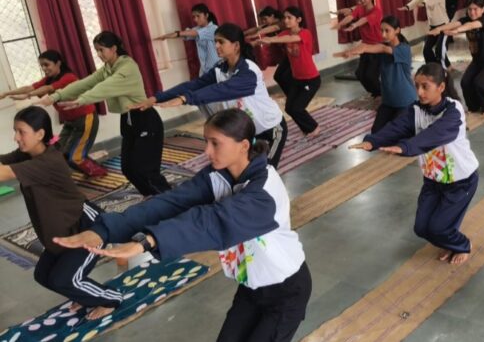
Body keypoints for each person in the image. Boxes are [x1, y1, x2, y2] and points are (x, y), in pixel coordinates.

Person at [55, 109, 312, 342]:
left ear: (243, 146)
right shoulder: (217, 176)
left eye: (215, 143)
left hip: (286, 291)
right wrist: (103, 230)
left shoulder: (264, 192)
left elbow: (212, 220)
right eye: (206, 142)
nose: (207, 152)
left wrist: (148, 241)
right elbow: (169, 203)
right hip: (251, 286)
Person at [350, 63, 478, 265]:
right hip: (433, 180)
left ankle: (462, 245)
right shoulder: (415, 109)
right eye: (416, 86)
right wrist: (372, 141)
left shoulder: (454, 112)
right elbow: (396, 127)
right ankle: (448, 242)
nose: (419, 92)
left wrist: (405, 148)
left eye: (425, 86)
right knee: (421, 228)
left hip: (460, 181)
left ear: (441, 87)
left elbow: (433, 135)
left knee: (438, 228)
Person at [0, 106, 121, 320]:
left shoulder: (48, 162)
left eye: (21, 132)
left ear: (40, 134)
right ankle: (84, 294)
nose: (16, 137)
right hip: (64, 231)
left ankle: (110, 299)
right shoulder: (25, 154)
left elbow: (3, 173)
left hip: (87, 228)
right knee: (44, 275)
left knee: (63, 280)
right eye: (15, 131)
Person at [132, 23, 288, 169]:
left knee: (265, 171)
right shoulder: (220, 69)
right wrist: (157, 98)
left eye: (221, 42)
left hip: (271, 128)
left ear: (236, 46)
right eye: (215, 42)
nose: (216, 46)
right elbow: (194, 85)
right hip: (247, 133)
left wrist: (185, 99)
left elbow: (222, 90)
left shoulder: (249, 72)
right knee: (244, 171)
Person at [40, 32, 171, 197]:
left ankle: (169, 199)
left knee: (145, 169)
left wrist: (82, 100)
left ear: (114, 48)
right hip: (128, 119)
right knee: (128, 168)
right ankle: (152, 197)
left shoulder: (127, 67)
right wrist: (55, 96)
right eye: (97, 51)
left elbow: (106, 87)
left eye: (101, 50)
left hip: (145, 119)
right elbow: (85, 83)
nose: (99, 55)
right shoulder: (108, 68)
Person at [0, 50, 106, 177]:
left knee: (74, 157)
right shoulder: (48, 79)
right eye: (42, 66)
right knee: (57, 151)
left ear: (58, 63)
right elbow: (30, 87)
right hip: (70, 122)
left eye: (47, 65)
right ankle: (89, 171)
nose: (44, 68)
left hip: (86, 118)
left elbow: (49, 89)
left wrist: (28, 96)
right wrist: (7, 93)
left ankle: (100, 174)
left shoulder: (69, 77)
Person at [334, 16, 416, 133]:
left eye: (387, 31)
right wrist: (351, 51)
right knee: (376, 132)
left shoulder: (404, 49)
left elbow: (382, 48)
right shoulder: (382, 48)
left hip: (405, 101)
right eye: (381, 30)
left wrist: (363, 49)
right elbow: (369, 47)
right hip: (388, 101)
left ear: (397, 30)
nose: (383, 35)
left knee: (396, 134)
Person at [434, 0, 484, 116]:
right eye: (470, 9)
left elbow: (471, 25)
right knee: (465, 82)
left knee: (481, 83)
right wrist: (438, 29)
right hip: (478, 60)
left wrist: (457, 31)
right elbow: (455, 23)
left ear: (483, 9)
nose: (472, 12)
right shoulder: (467, 19)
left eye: (475, 9)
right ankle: (474, 107)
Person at [259, 7, 321, 137]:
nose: (286, 20)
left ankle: (314, 128)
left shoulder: (305, 33)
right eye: (285, 18)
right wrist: (256, 40)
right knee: (289, 108)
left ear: (298, 20)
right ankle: (308, 127)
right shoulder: (285, 33)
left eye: (289, 18)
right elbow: (279, 36)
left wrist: (271, 40)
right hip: (297, 79)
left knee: (296, 108)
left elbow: (291, 39)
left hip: (311, 79)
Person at [332, 0, 383, 97]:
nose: (362, 0)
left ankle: (380, 93)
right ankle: (376, 92)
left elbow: (364, 20)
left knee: (370, 75)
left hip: (377, 47)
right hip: (364, 46)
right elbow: (351, 16)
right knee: (359, 74)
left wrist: (354, 25)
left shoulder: (377, 11)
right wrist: (340, 24)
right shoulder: (359, 8)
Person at [154, 3, 219, 78]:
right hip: (205, 70)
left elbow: (191, 33)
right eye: (194, 17)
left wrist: (170, 35)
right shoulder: (198, 29)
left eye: (198, 16)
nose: (195, 19)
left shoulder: (213, 28)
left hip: (215, 69)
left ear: (206, 15)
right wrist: (166, 36)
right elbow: (184, 34)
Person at [400, 0, 451, 68]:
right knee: (426, 50)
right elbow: (417, 0)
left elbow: (427, 1)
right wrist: (407, 7)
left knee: (439, 49)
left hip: (443, 26)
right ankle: (432, 67)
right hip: (432, 27)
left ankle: (444, 69)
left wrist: (420, 3)